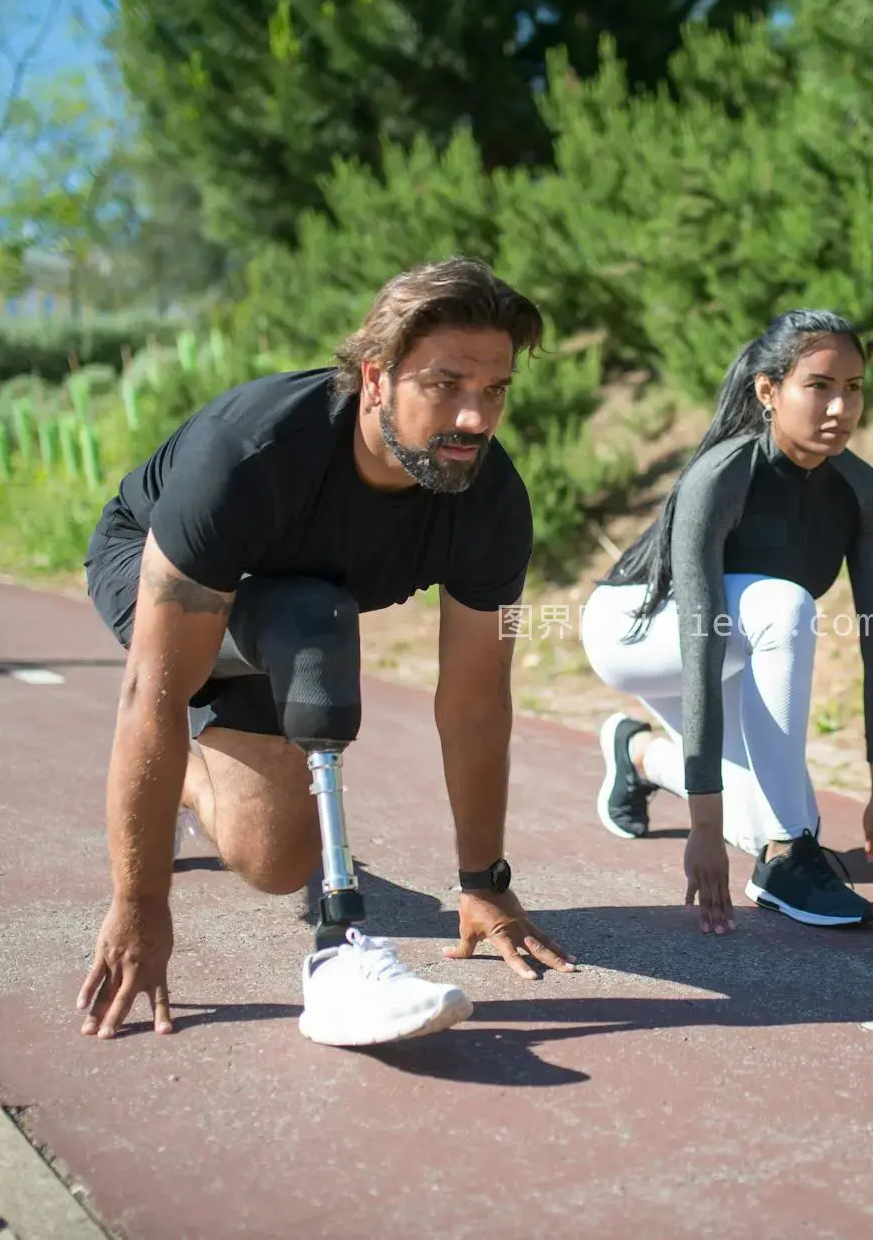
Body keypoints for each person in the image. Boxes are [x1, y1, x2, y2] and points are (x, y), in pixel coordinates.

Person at [78, 257, 575, 1046]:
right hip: (153, 562)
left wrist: (483, 881)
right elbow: (154, 692)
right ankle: (340, 950)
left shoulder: (488, 499)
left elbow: (477, 699)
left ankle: (185, 781)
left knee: (275, 861)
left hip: (293, 615)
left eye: (495, 391)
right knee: (317, 618)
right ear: (376, 379)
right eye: (445, 385)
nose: (476, 418)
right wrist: (141, 902)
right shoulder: (247, 455)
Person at [579, 309, 873, 935]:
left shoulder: (861, 489)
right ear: (768, 390)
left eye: (854, 387)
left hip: (742, 635)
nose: (840, 406)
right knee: (787, 606)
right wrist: (702, 828)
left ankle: (639, 754)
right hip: (637, 629)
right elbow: (700, 642)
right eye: (819, 386)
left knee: (754, 822)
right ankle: (790, 851)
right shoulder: (722, 475)